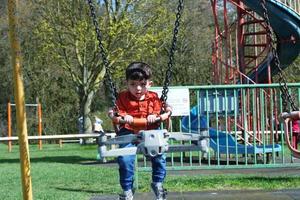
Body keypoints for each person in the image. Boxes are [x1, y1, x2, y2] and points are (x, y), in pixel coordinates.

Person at [110, 62, 171, 200]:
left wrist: (154, 116)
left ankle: (158, 183)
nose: (138, 88)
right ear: (127, 83)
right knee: (125, 159)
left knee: (160, 156)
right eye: (133, 84)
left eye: (142, 84)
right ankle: (127, 190)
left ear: (149, 84)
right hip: (128, 131)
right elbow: (117, 111)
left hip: (151, 132)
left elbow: (161, 110)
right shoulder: (122, 97)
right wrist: (125, 117)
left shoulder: (154, 97)